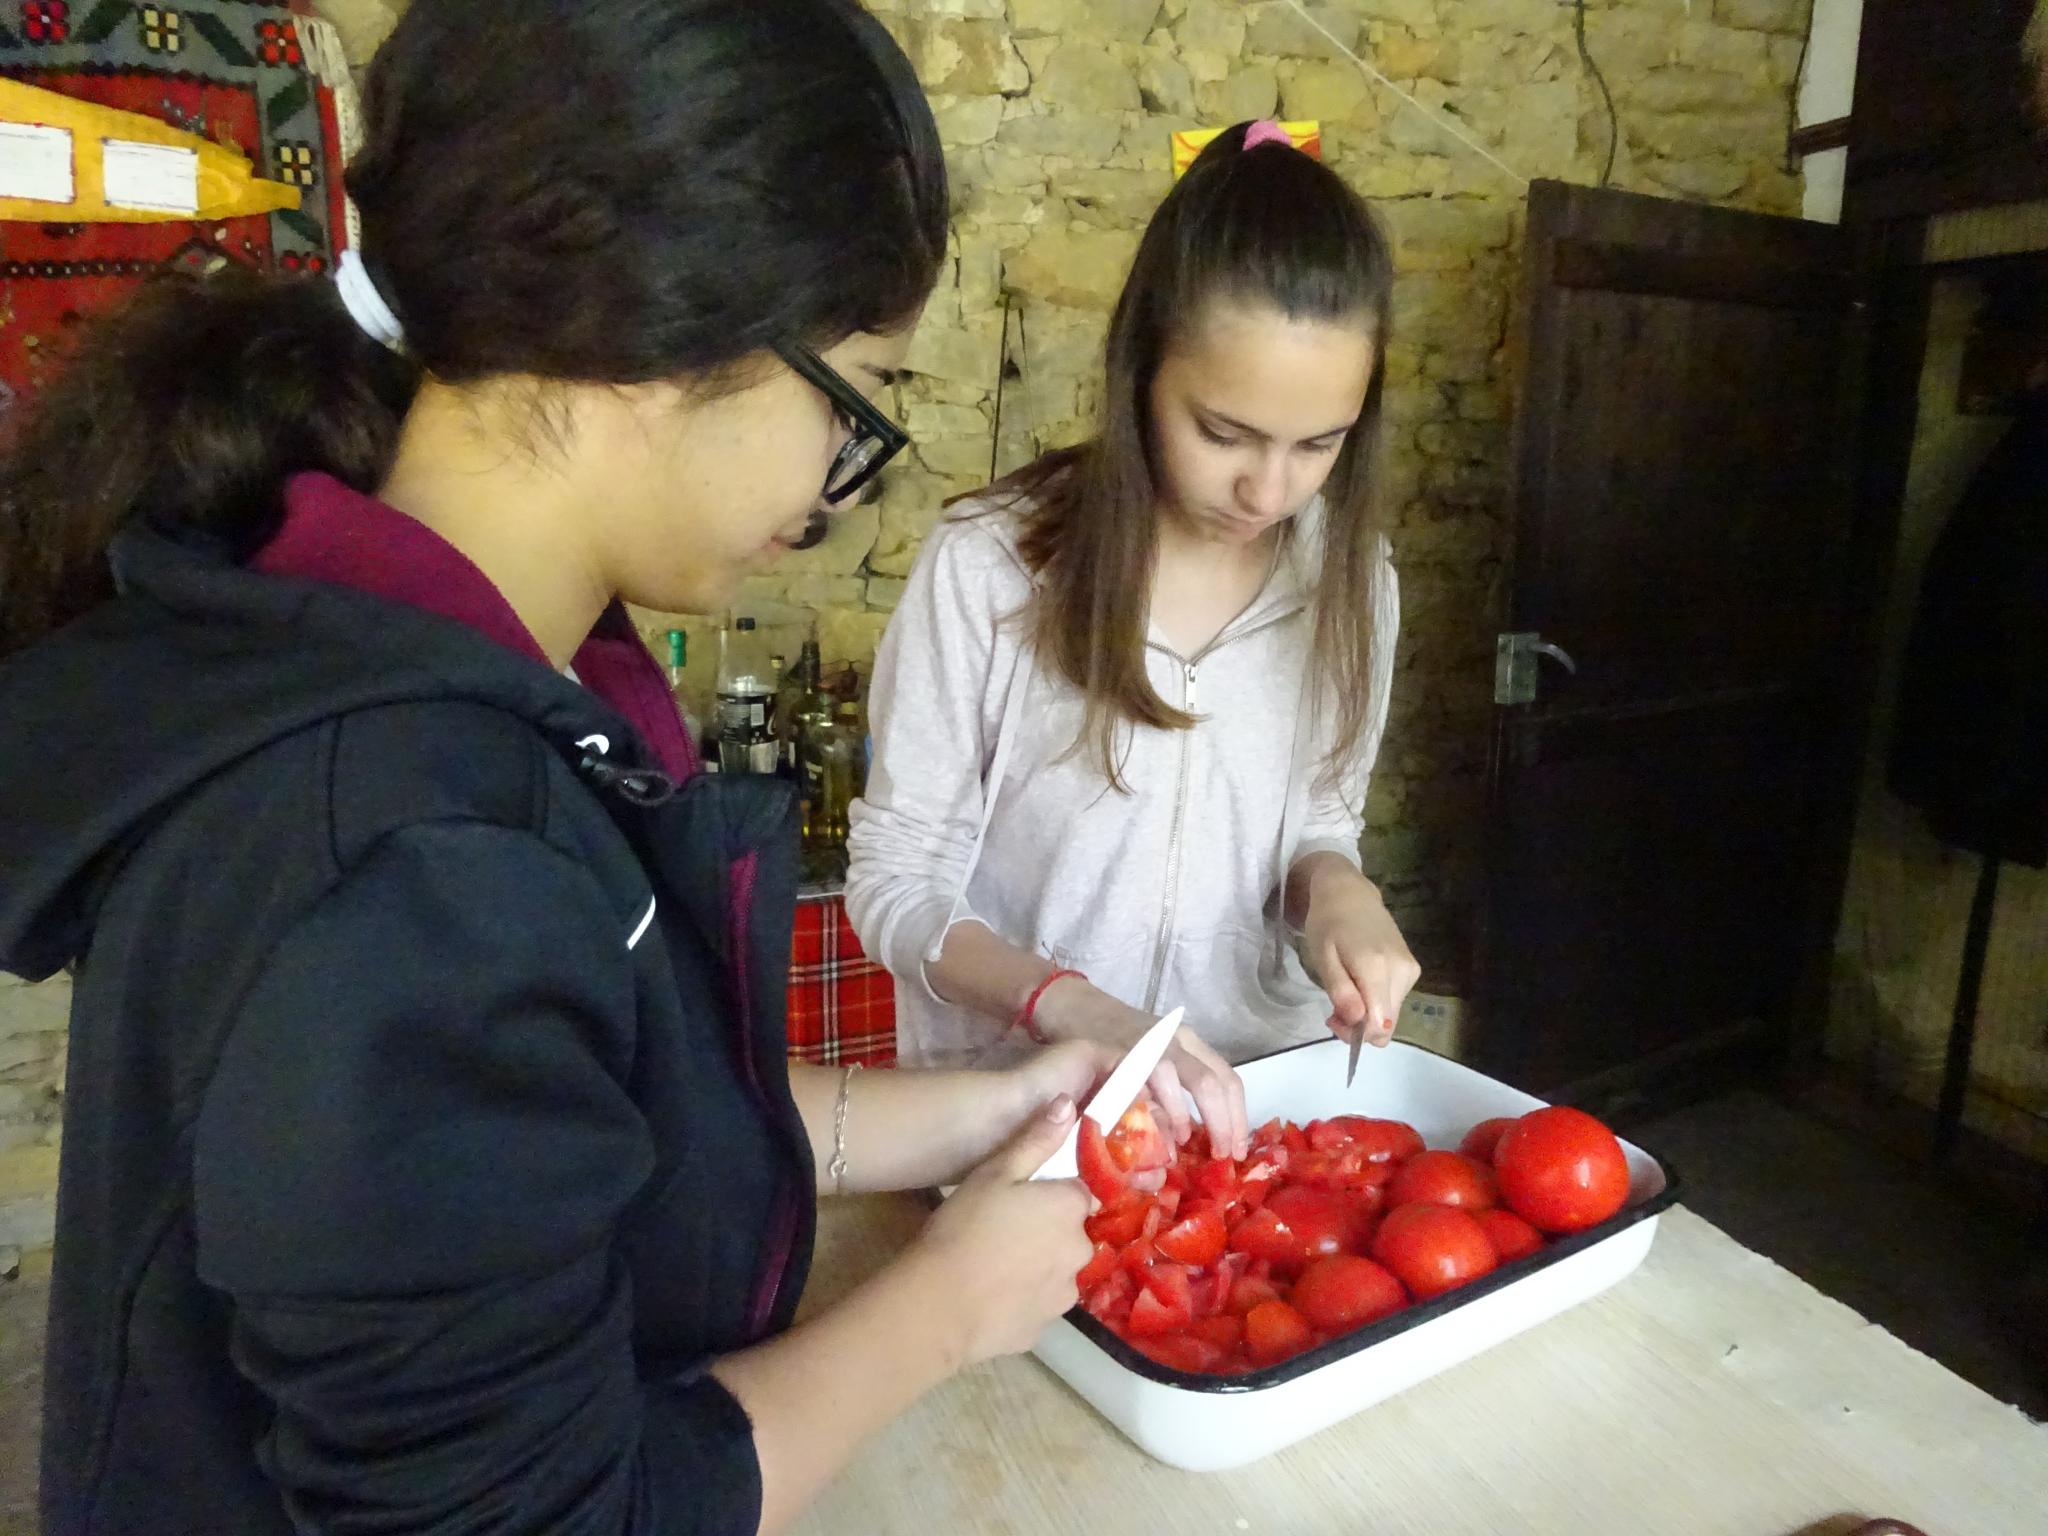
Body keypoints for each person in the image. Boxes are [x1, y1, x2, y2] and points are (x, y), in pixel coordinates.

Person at [0, 4, 1111, 1532]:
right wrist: (944, 1307)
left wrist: (988, 1108)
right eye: (852, 400)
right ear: (659, 341)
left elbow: (605, 1120)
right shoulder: (411, 860)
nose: (828, 489)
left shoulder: (444, 653)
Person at [847, 121, 1420, 1162]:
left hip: (1247, 1108)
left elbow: (1319, 820)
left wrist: (1339, 888)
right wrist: (1067, 1006)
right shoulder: (992, 564)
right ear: (1140, 371)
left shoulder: (1351, 583)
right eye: (1223, 433)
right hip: (1025, 1114)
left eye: (1317, 445)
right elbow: (897, 880)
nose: (1267, 491)